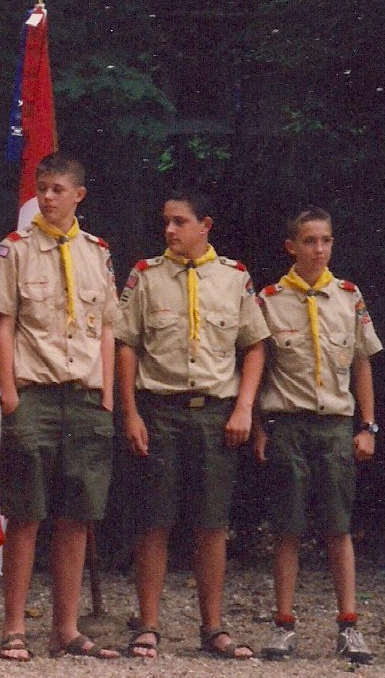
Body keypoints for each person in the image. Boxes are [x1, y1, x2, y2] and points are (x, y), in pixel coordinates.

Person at [115, 189, 268, 660]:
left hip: (215, 414)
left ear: (205, 225)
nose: (169, 230)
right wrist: (130, 412)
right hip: (159, 411)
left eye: (179, 222)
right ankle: (148, 626)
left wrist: (244, 407)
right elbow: (126, 345)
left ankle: (214, 627)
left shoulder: (234, 278)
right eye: (166, 221)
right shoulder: (146, 277)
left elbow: (255, 345)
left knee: (211, 524)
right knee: (154, 521)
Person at [0, 152, 121, 661]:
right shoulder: (16, 250)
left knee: (76, 515)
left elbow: (107, 325)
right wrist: (11, 394)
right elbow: (3, 325)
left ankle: (66, 628)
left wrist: (106, 394)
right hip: (34, 395)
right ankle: (13, 627)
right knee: (26, 513)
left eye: (58, 189)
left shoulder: (97, 252)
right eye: (42, 188)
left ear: (79, 194)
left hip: (84, 395)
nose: (47, 197)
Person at [253, 205, 382, 665]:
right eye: (309, 241)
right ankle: (284, 625)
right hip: (287, 425)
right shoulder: (269, 299)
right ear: (292, 247)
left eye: (325, 240)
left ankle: (349, 626)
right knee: (287, 527)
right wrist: (256, 428)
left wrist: (367, 425)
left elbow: (362, 362)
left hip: (334, 426)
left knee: (338, 527)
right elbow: (256, 367)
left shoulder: (348, 296)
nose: (319, 249)